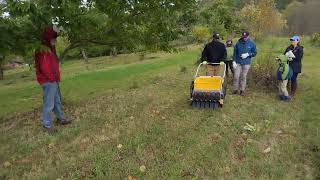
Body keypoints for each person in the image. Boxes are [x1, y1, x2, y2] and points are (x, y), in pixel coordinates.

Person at [35, 27, 71, 134]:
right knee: (49, 103)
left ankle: (61, 119)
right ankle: (46, 125)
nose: (55, 40)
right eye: (53, 38)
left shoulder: (49, 48)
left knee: (56, 101)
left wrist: (55, 78)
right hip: (48, 80)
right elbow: (45, 67)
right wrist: (51, 78)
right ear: (48, 38)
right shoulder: (43, 49)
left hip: (52, 80)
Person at [232, 31, 257, 96]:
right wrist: (234, 61)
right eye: (243, 37)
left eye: (246, 37)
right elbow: (235, 53)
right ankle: (235, 89)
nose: (244, 38)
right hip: (238, 62)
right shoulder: (238, 43)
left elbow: (255, 53)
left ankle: (242, 90)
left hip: (246, 63)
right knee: (236, 76)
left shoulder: (252, 43)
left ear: (248, 36)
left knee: (243, 76)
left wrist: (248, 54)